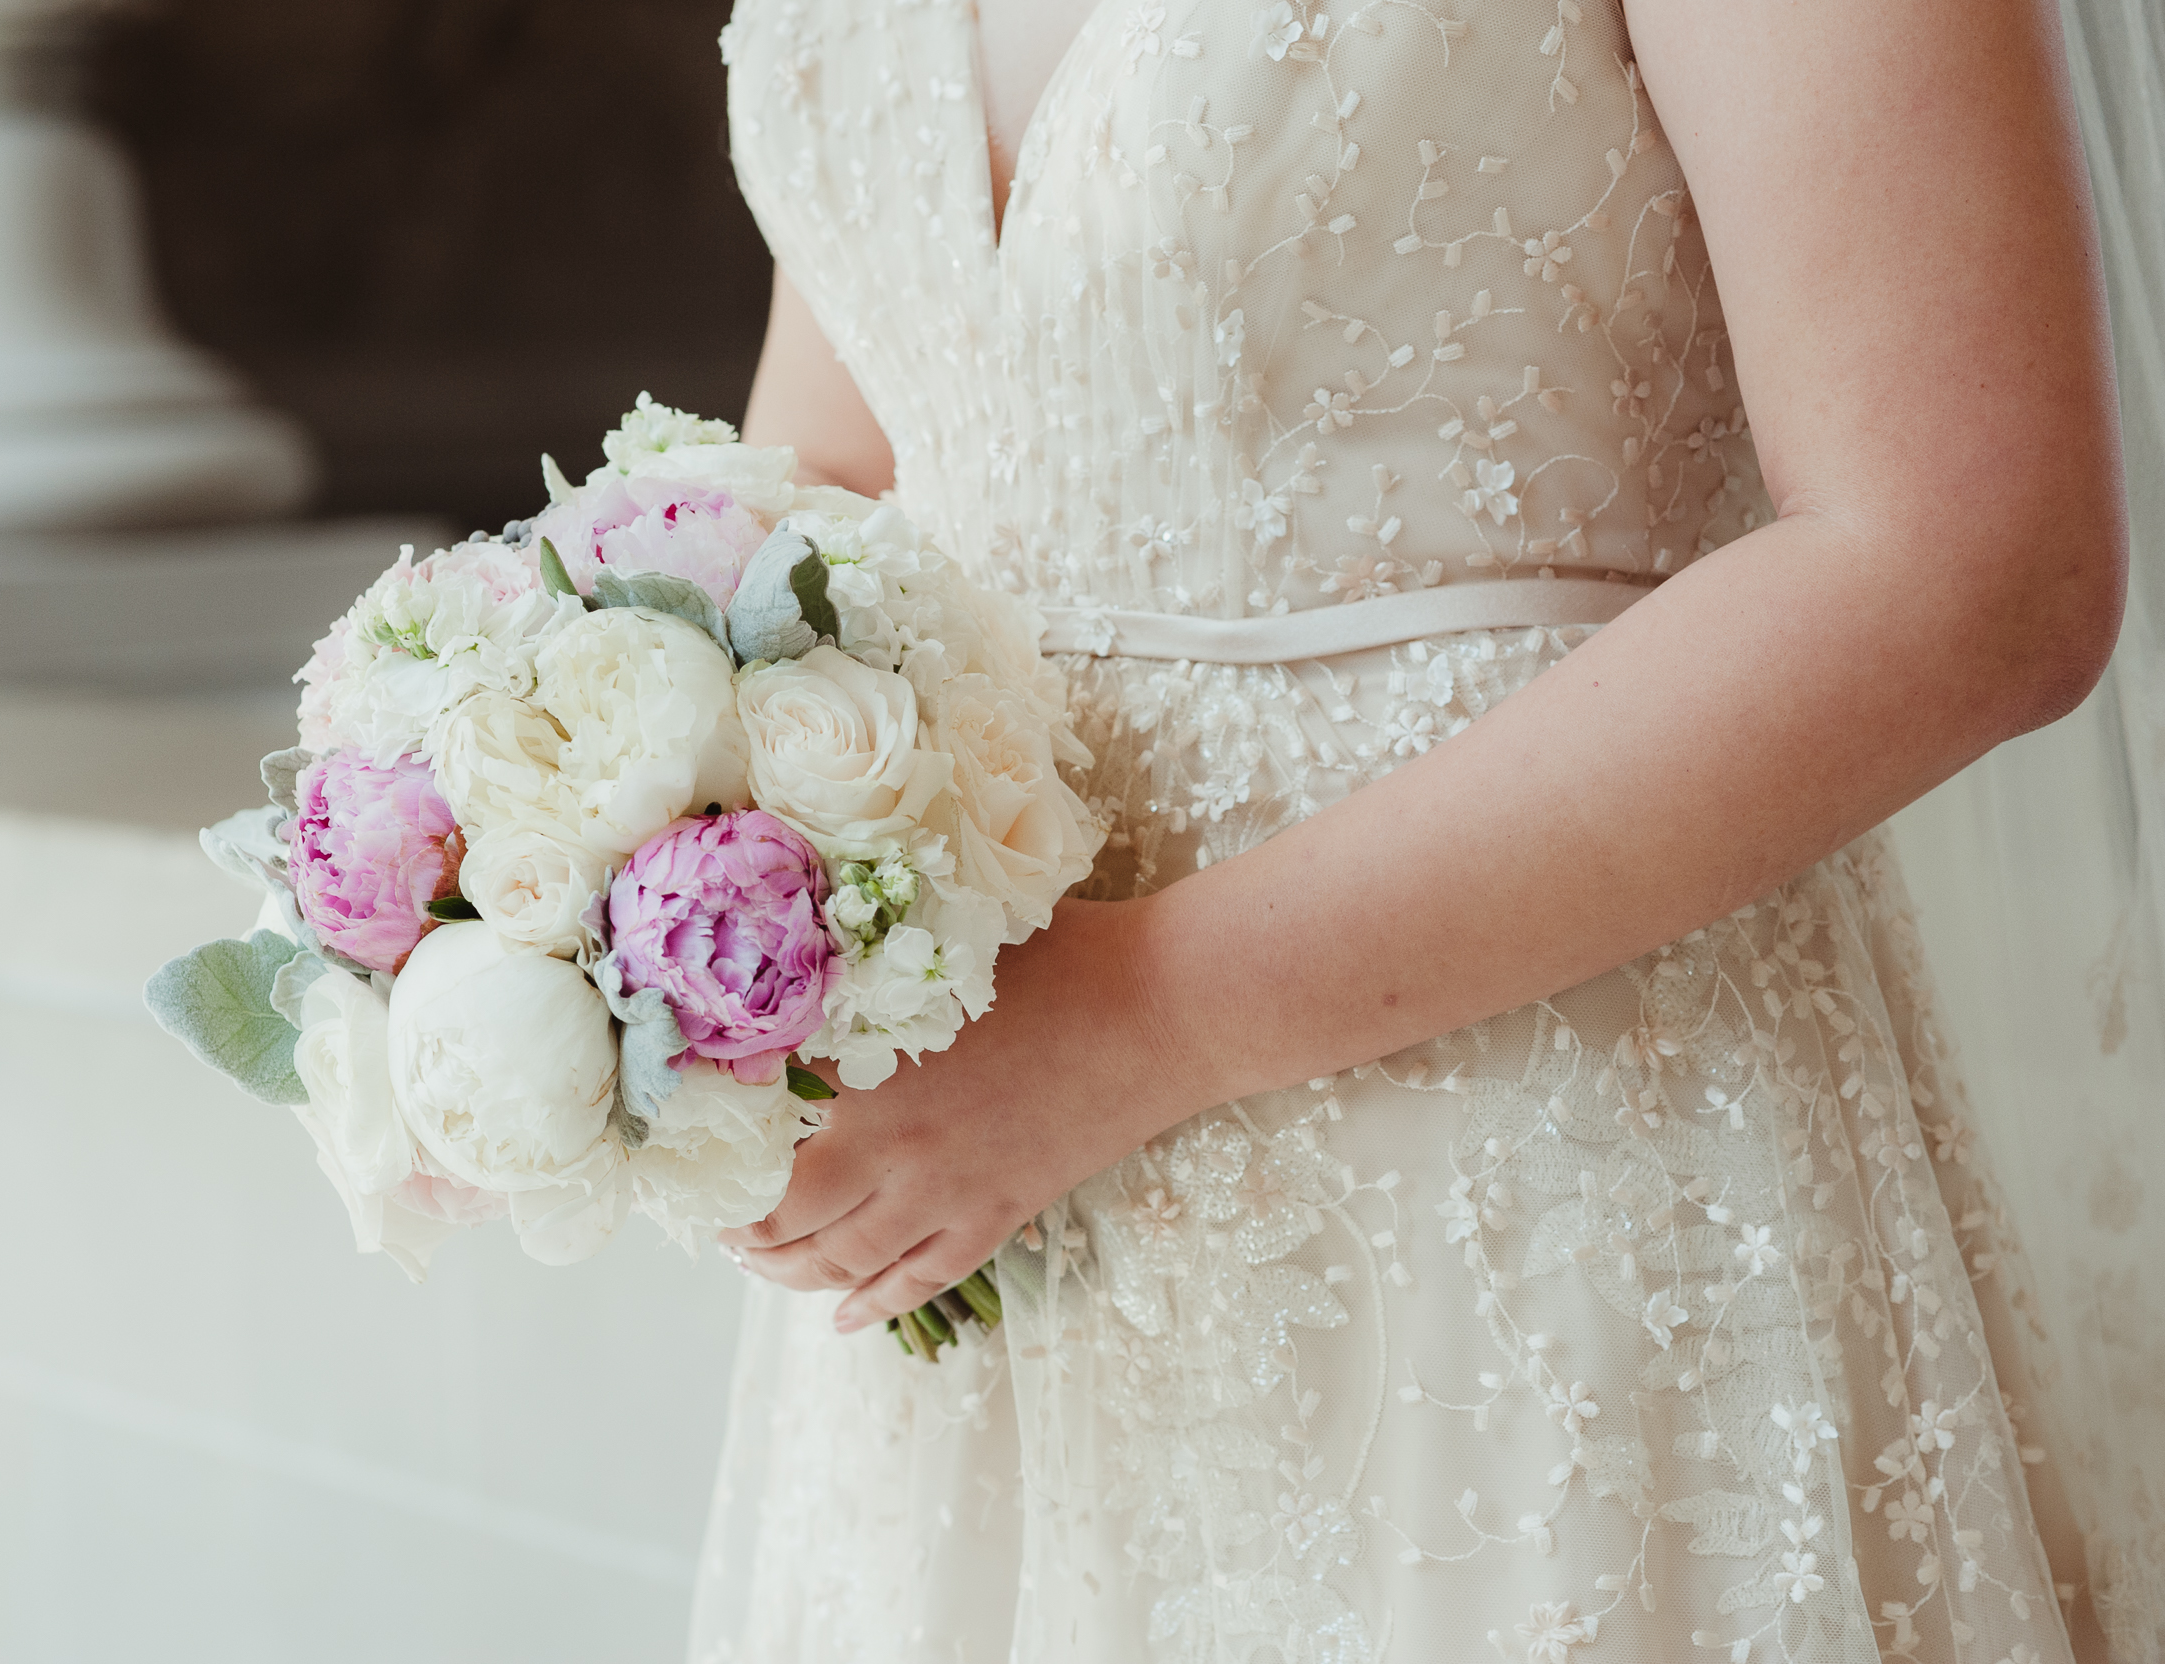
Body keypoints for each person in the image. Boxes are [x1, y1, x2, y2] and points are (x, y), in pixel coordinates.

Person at [692, 0, 2136, 1658]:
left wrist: (1142, 1018)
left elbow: (1975, 564)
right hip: (979, 1220)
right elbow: (865, 446)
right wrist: (569, 879)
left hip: (1535, 1178)